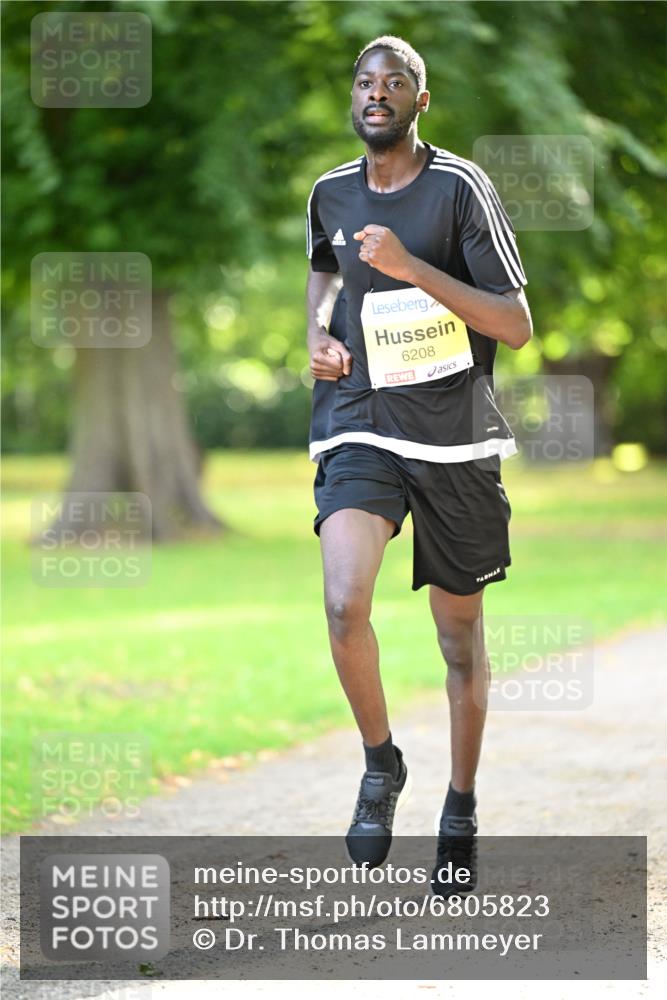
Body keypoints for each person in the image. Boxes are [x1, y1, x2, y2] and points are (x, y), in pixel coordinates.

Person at [305, 35, 532, 896]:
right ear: (353, 98)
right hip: (360, 418)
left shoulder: (459, 188)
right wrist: (316, 337)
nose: (377, 93)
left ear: (418, 101)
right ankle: (380, 762)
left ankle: (460, 806)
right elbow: (324, 275)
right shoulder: (329, 192)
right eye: (364, 81)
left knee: (457, 638)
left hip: (454, 437)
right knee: (342, 601)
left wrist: (411, 269)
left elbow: (513, 325)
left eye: (394, 82)